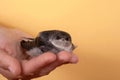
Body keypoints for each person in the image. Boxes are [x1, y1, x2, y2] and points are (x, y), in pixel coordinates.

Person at [0, 26, 78, 80]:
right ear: (52, 39)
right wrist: (24, 44)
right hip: (35, 43)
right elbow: (33, 46)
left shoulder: (70, 47)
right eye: (58, 38)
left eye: (67, 39)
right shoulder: (46, 43)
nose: (63, 41)